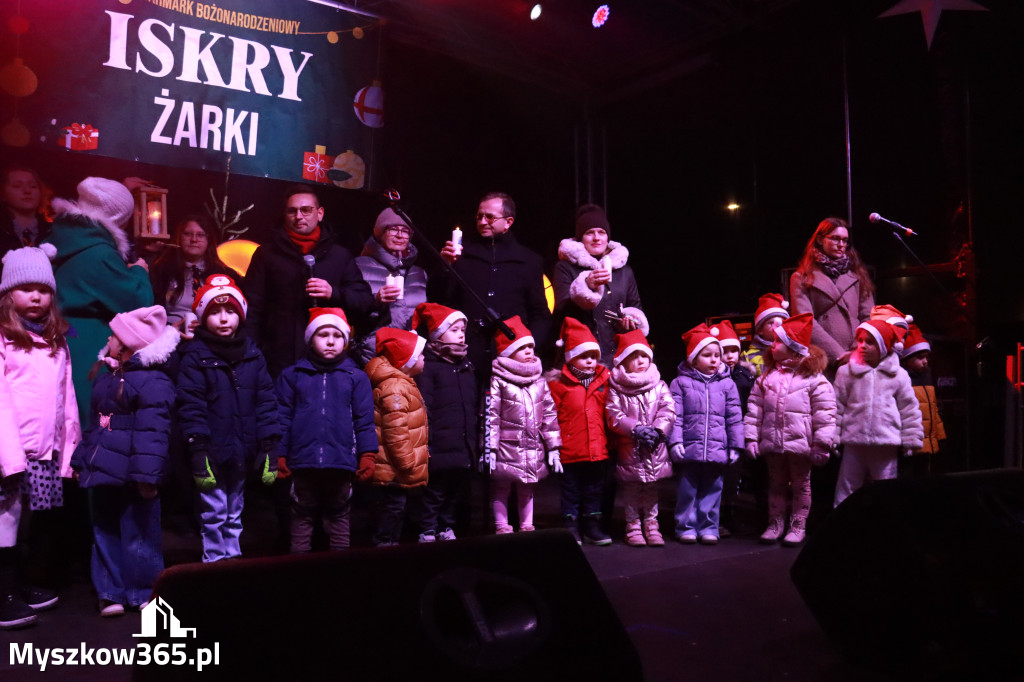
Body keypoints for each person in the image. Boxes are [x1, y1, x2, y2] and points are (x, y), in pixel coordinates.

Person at [72, 305, 178, 616]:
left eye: (114, 335)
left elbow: (153, 433)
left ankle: (143, 590)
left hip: (134, 473)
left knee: (140, 532)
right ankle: (110, 591)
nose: (108, 338)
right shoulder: (107, 379)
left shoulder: (153, 382)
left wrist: (147, 476)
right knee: (104, 530)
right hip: (104, 469)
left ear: (129, 345)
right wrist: (82, 460)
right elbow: (97, 425)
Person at [0, 246, 80, 629]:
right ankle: (4, 594)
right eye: (26, 289)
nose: (36, 297)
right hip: (9, 452)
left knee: (30, 521)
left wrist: (67, 454)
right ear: (7, 294)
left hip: (42, 453)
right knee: (5, 521)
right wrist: (9, 457)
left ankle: (21, 583)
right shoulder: (3, 339)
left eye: (43, 290)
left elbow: (67, 399)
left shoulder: (55, 341)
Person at [176, 275, 281, 562]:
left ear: (241, 315)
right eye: (215, 312)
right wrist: (198, 449)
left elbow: (266, 401)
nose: (224, 319)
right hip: (211, 451)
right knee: (213, 512)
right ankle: (214, 561)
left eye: (230, 311)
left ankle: (232, 560)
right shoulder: (195, 357)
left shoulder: (253, 355)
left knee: (235, 511)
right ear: (202, 317)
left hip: (242, 450)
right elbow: (191, 405)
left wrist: (269, 445)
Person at [44, 177, 153, 425]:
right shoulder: (100, 253)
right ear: (118, 218)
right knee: (89, 426)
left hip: (58, 340)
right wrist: (139, 272)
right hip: (88, 349)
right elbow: (138, 302)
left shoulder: (58, 239)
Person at [244, 184, 374, 378]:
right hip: (276, 361)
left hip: (327, 364)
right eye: (292, 211)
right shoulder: (266, 254)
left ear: (320, 213)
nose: (298, 216)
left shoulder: (339, 256)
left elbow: (365, 302)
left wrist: (333, 293)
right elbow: (251, 308)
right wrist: (252, 353)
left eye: (306, 210)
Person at [275, 308, 377, 552]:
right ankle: (298, 565)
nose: (331, 341)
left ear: (345, 341)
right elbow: (281, 417)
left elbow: (364, 420)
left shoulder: (356, 377)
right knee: (301, 515)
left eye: (337, 335)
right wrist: (278, 453)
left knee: (340, 516)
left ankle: (339, 569)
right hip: (303, 461)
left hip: (341, 461)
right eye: (323, 335)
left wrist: (368, 455)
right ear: (310, 339)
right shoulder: (292, 376)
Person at [743, 313, 837, 547]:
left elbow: (825, 414)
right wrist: (751, 438)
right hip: (773, 443)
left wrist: (822, 443)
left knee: (801, 485)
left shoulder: (814, 380)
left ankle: (798, 525)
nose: (772, 345)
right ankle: (775, 523)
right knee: (775, 484)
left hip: (801, 446)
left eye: (778, 341)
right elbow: (754, 410)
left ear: (793, 347)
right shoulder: (767, 377)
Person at [439, 192, 551, 381]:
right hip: (465, 357)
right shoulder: (462, 255)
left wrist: (527, 346)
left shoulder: (529, 261)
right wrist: (444, 267)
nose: (482, 222)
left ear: (508, 222)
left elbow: (540, 314)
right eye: (479, 216)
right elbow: (442, 301)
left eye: (490, 217)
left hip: (510, 359)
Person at [483, 316, 561, 535]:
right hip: (506, 447)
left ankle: (527, 525)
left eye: (530, 347)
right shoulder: (499, 380)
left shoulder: (539, 381)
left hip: (532, 446)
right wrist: (490, 448)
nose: (528, 351)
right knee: (501, 488)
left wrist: (554, 447)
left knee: (527, 488)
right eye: (522, 347)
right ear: (508, 352)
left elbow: (549, 416)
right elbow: (491, 416)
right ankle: (501, 525)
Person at [833, 319, 923, 507]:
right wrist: (832, 435)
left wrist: (911, 438)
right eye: (860, 340)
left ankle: (885, 523)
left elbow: (909, 409)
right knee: (847, 488)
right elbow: (837, 405)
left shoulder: (899, 375)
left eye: (870, 342)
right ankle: (842, 522)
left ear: (883, 346)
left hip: (885, 443)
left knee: (886, 489)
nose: (862, 345)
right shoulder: (846, 372)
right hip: (854, 441)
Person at [668, 323, 744, 545]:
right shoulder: (680, 383)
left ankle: (709, 527)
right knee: (687, 491)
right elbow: (675, 416)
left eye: (717, 355)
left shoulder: (727, 385)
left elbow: (734, 418)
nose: (714, 360)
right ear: (693, 358)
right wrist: (675, 442)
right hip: (690, 449)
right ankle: (685, 527)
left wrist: (735, 446)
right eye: (707, 355)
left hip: (717, 448)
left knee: (713, 490)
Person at [411, 302, 478, 543]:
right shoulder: (429, 367)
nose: (461, 334)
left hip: (462, 443)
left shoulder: (467, 366)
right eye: (454, 330)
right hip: (439, 444)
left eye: (463, 330)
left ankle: (446, 525)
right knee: (434, 492)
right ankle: (427, 528)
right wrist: (426, 442)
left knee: (454, 491)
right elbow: (424, 405)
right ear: (437, 334)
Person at [552, 204, 647, 367]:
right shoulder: (565, 268)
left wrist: (630, 322)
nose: (596, 238)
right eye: (589, 233)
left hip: (617, 356)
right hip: (580, 356)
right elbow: (562, 311)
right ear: (580, 238)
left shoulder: (624, 271)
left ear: (607, 237)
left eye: (601, 232)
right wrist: (585, 286)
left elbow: (635, 307)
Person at [605, 330, 674, 547]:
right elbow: (613, 414)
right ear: (623, 361)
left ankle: (651, 525)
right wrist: (634, 428)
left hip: (654, 448)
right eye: (634, 356)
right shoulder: (616, 387)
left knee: (652, 489)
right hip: (630, 448)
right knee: (632, 489)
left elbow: (668, 409)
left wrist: (658, 430)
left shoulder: (659, 385)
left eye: (644, 355)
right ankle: (633, 526)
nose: (641, 360)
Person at [363, 327, 430, 546]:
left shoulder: (403, 383)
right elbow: (396, 429)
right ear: (406, 361)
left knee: (396, 508)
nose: (424, 358)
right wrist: (407, 461)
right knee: (393, 508)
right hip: (394, 468)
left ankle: (389, 544)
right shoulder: (395, 388)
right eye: (420, 354)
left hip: (394, 467)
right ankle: (383, 545)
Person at [548, 317, 611, 545]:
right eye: (584, 356)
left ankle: (591, 525)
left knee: (594, 490)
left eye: (594, 356)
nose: (590, 361)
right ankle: (571, 526)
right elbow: (550, 417)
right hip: (570, 450)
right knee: (571, 491)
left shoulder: (604, 381)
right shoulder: (558, 384)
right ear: (571, 357)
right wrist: (553, 446)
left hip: (596, 450)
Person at [789, 217, 875, 372]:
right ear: (820, 240)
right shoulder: (801, 278)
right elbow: (806, 322)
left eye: (845, 240)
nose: (841, 244)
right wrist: (839, 355)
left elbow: (868, 317)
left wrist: (857, 351)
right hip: (823, 359)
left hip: (857, 357)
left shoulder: (858, 276)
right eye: (835, 239)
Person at [351, 208, 428, 366]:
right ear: (380, 233)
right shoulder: (358, 266)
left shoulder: (419, 273)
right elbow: (350, 311)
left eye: (405, 231)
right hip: (373, 357)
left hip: (412, 359)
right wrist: (376, 300)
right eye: (393, 229)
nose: (400, 235)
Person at [148, 214, 233, 330]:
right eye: (187, 234)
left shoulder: (224, 275)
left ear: (208, 240)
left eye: (200, 235)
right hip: (169, 333)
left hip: (211, 336)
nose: (194, 240)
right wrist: (170, 330)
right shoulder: (161, 271)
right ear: (179, 238)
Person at [899, 323, 947, 478]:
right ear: (906, 359)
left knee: (924, 474)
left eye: (926, 357)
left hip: (927, 441)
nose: (925, 361)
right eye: (920, 358)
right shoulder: (902, 379)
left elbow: (933, 409)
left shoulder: (927, 377)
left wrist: (939, 436)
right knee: (908, 476)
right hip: (910, 443)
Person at [0, 166, 52, 262]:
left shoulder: (55, 232)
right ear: (3, 193)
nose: (27, 191)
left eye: (33, 186)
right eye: (17, 186)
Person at [741, 293, 790, 378]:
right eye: (771, 323)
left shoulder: (792, 352)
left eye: (781, 322)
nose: (777, 326)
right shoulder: (748, 356)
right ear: (760, 330)